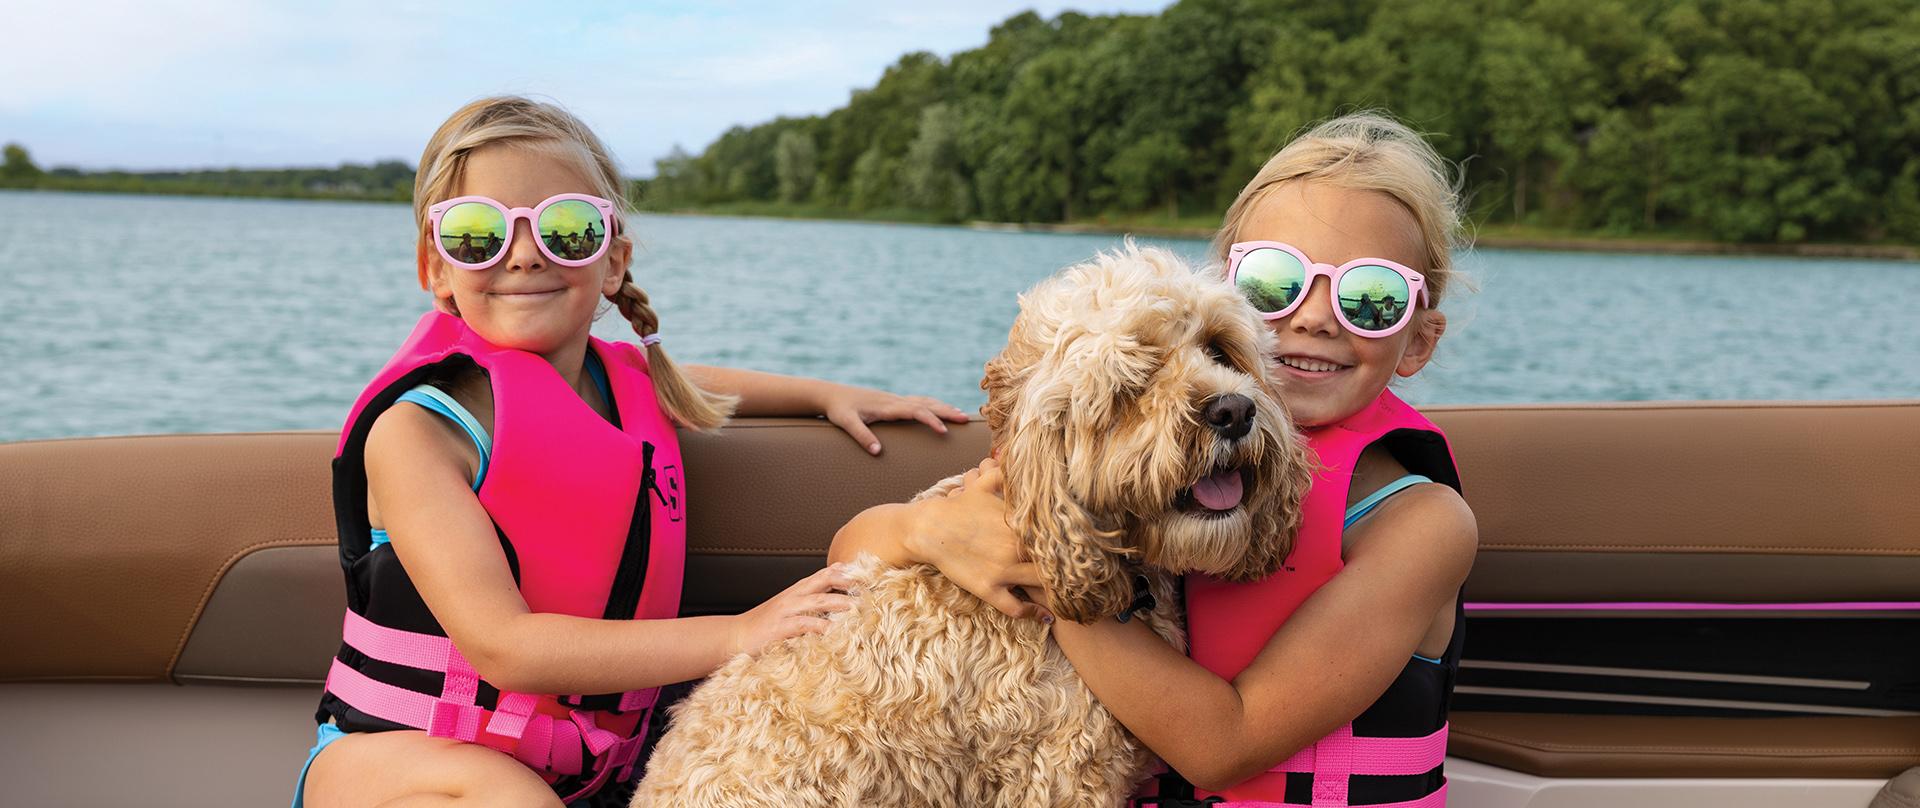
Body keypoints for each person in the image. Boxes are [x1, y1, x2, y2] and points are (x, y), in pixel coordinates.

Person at [296, 96, 969, 808]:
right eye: (478, 234)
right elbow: (506, 647)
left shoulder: (627, 387)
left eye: (566, 229)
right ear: (436, 268)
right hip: (407, 755)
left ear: (613, 260)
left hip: (584, 765)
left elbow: (684, 383)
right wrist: (742, 633)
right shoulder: (417, 434)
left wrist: (826, 396)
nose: (524, 254)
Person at [831, 112, 1477, 807]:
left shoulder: (1423, 525)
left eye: (1368, 299)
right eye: (1273, 281)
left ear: (1417, 341)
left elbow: (1225, 747)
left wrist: (1047, 575)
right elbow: (851, 556)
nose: (1314, 316)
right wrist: (925, 531)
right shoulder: (1135, 441)